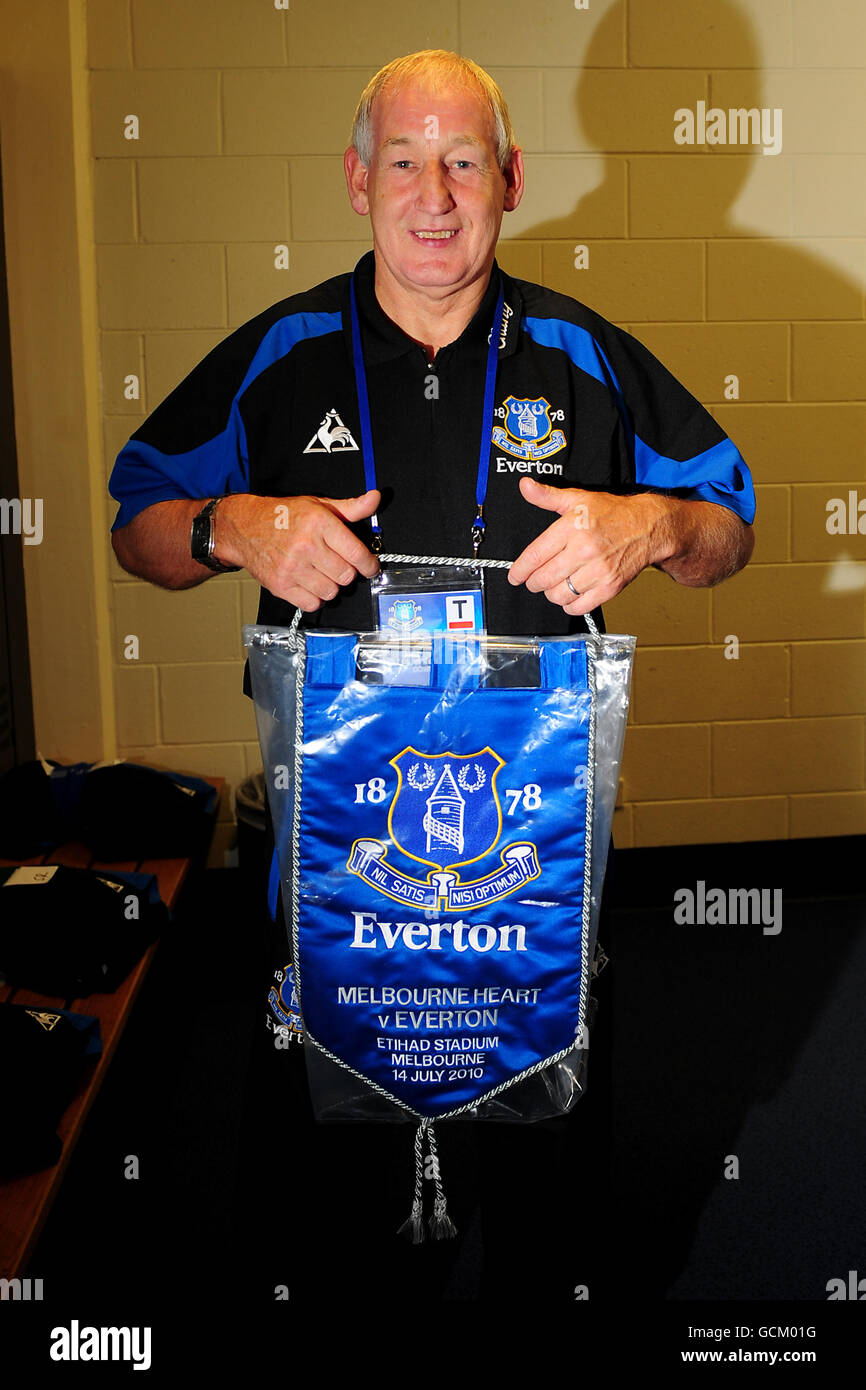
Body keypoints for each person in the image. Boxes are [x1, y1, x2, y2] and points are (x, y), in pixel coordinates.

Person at [109, 50, 754, 1301]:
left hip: (535, 889)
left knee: (556, 1248)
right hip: (335, 890)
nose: (435, 193)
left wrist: (653, 526)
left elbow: (728, 520)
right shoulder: (283, 353)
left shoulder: (583, 355)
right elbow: (140, 513)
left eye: (464, 159)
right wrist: (233, 524)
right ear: (358, 181)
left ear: (509, 179)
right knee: (317, 1256)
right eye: (404, 160)